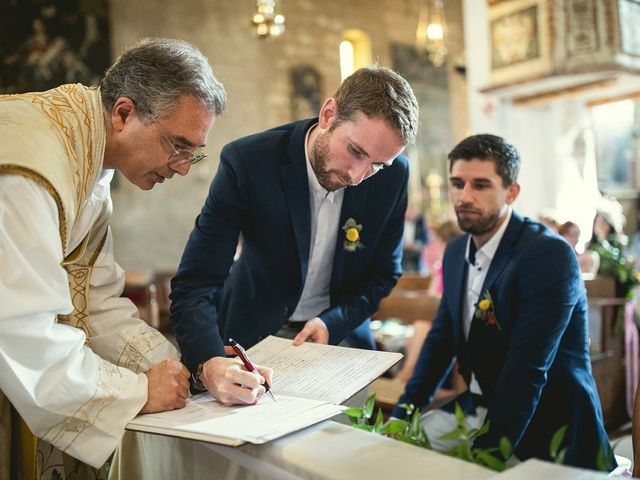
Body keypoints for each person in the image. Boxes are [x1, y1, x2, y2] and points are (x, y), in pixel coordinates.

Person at [0, 38, 227, 479]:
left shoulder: (89, 161)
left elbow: (94, 302)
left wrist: (180, 371)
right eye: (178, 146)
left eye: (192, 153)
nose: (183, 168)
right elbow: (19, 331)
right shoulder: (31, 169)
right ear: (123, 113)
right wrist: (136, 392)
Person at [170, 66, 419, 406]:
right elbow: (196, 281)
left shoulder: (393, 177)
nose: (358, 176)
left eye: (377, 165)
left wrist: (333, 322)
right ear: (329, 114)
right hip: (252, 337)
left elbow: (383, 274)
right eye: (357, 152)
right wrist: (209, 361)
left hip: (340, 340)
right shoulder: (249, 161)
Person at [392, 134, 615, 471]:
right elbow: (441, 340)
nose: (464, 196)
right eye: (457, 183)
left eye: (481, 185)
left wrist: (484, 459)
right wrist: (401, 418)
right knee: (398, 462)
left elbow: (528, 369)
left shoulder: (548, 255)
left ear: (512, 192)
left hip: (552, 429)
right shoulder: (455, 252)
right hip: (479, 407)